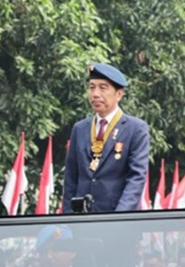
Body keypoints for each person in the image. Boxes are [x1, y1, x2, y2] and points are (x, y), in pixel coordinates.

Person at [63, 63, 150, 213]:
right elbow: (70, 179)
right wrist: (69, 218)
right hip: (83, 222)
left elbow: (136, 179)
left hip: (119, 222)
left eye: (103, 88)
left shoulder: (135, 129)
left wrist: (117, 218)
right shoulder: (80, 128)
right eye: (91, 87)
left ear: (119, 94)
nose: (95, 94)